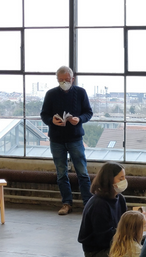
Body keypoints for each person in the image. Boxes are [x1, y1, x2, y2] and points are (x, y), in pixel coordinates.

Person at [40, 65, 94, 215]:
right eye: (61, 80)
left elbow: (88, 112)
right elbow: (44, 114)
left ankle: (88, 204)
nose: (64, 82)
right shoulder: (50, 94)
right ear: (57, 79)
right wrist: (52, 121)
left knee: (82, 172)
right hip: (56, 140)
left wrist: (79, 119)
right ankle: (66, 203)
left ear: (73, 79)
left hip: (75, 138)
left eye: (67, 79)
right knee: (61, 173)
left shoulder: (81, 92)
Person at [77, 162, 128, 257]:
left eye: (124, 178)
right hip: (97, 253)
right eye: (121, 178)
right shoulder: (98, 205)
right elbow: (103, 239)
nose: (124, 181)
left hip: (115, 245)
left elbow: (125, 225)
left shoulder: (120, 199)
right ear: (110, 180)